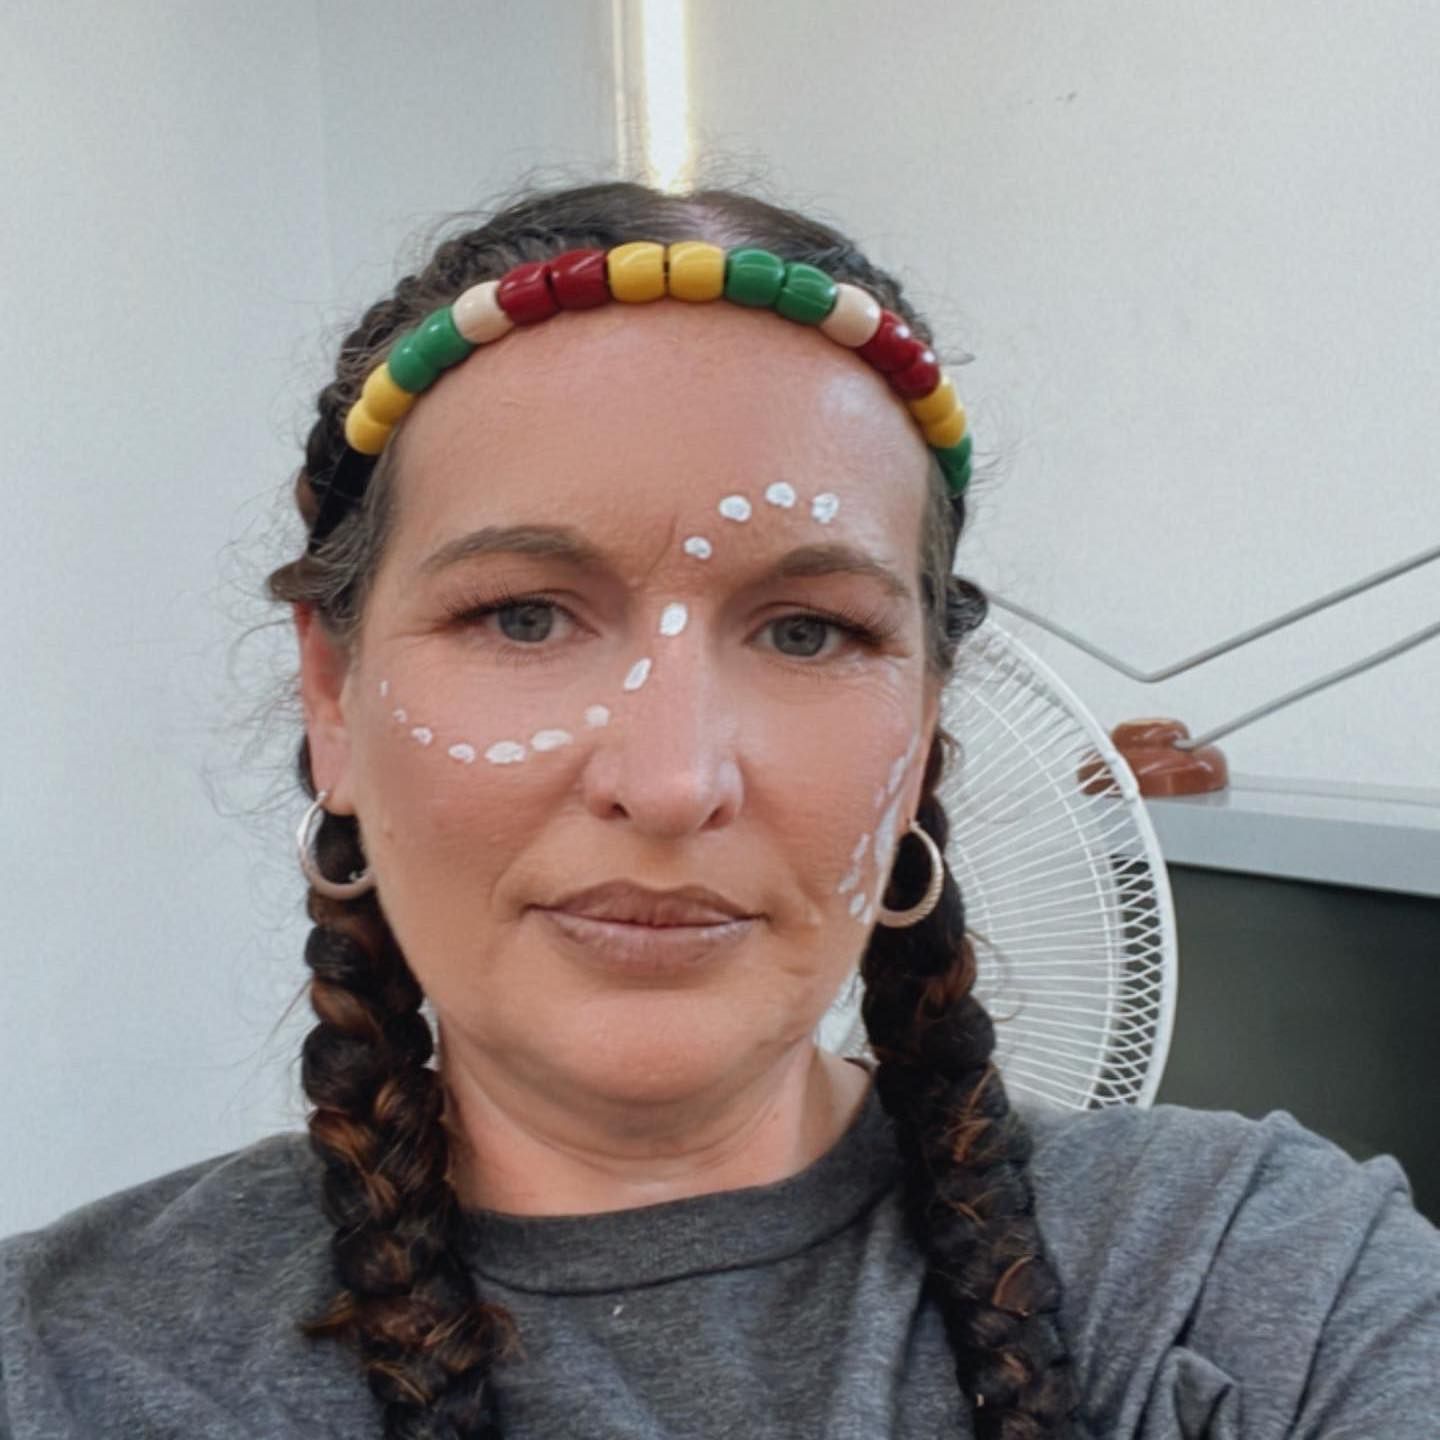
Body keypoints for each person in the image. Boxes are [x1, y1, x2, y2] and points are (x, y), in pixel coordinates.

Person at [1, 178, 1437, 1440]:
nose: (676, 779)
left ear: (928, 716)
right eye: (520, 616)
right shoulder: (61, 1366)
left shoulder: (1265, 1285)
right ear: (334, 698)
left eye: (809, 632)